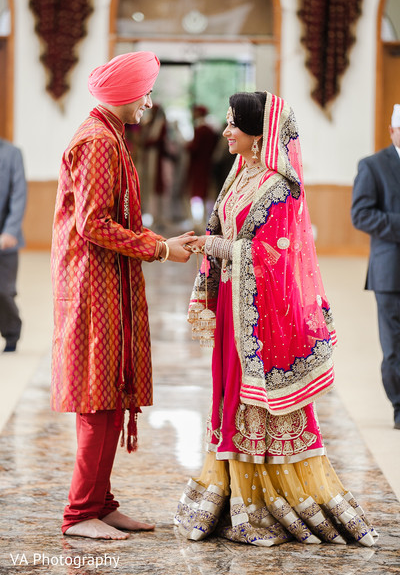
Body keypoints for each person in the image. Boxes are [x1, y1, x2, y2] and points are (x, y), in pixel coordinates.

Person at [174, 91, 377, 547]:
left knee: (255, 399)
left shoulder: (280, 188)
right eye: (226, 122)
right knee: (227, 392)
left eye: (234, 124)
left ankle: (264, 500)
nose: (226, 131)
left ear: (258, 133)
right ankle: (232, 493)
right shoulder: (240, 174)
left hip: (264, 318)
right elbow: (220, 228)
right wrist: (209, 246)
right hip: (234, 305)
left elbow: (273, 259)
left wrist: (216, 248)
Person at [51, 51, 196, 540]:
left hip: (106, 284)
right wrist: (159, 247)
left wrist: (158, 245)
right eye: (146, 93)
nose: (149, 103)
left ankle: (100, 501)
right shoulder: (97, 142)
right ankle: (79, 513)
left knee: (110, 395)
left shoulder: (109, 136)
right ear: (126, 94)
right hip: (93, 289)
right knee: (98, 398)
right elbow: (93, 224)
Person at [351, 103, 400, 431]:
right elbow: (361, 215)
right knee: (395, 344)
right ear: (393, 131)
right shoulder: (373, 166)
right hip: (391, 271)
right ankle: (399, 405)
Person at [0, 138, 27, 353]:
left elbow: (19, 195)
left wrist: (10, 231)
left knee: (3, 291)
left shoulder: (12, 153)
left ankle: (11, 333)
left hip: (5, 239)